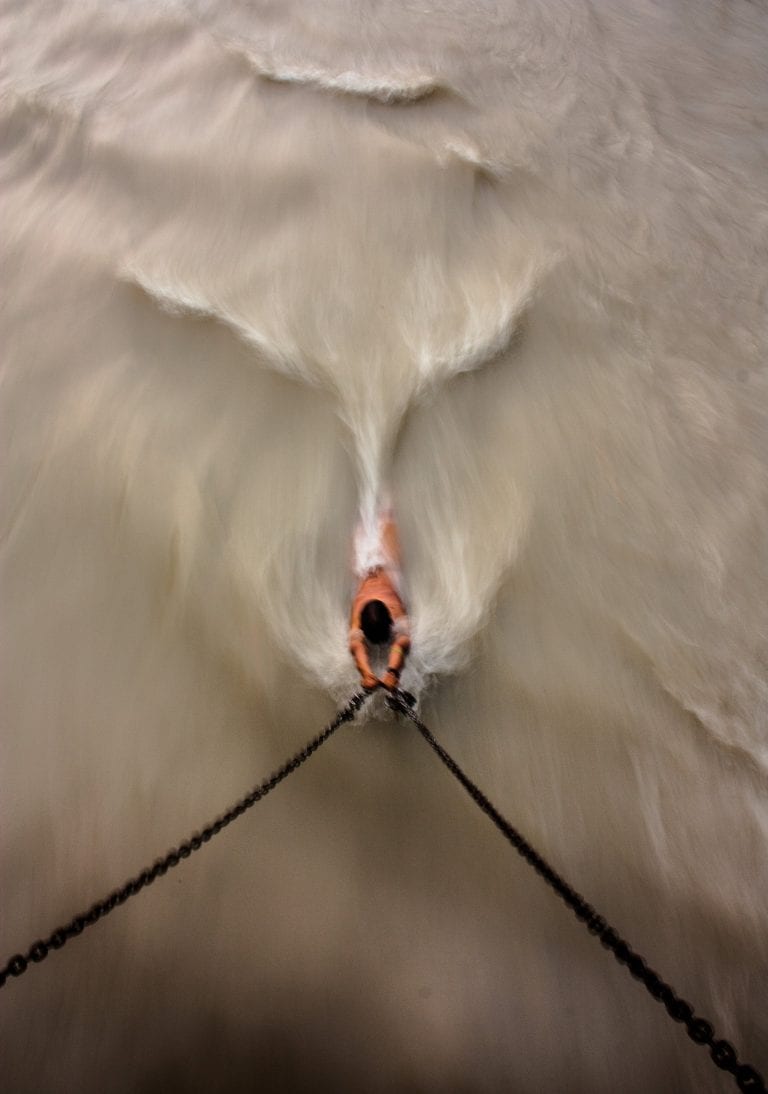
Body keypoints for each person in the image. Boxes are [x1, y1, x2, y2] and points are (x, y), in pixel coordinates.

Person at [349, 505, 410, 691]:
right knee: (382, 519)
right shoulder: (362, 617)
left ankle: (380, 503)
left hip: (372, 565)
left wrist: (390, 672)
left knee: (380, 520)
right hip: (372, 566)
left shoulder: (364, 616)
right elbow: (358, 648)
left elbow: (402, 643)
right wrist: (372, 674)